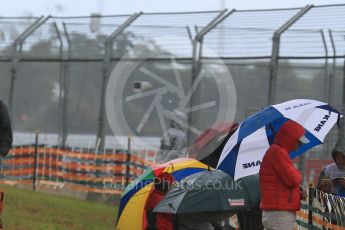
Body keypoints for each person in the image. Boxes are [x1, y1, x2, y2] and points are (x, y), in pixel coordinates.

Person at [259, 120, 308, 230]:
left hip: (276, 211)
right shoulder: (278, 152)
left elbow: (280, 186)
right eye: (298, 141)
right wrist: (296, 171)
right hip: (279, 213)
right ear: (290, 139)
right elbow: (293, 179)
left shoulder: (277, 152)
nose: (300, 145)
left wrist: (298, 195)